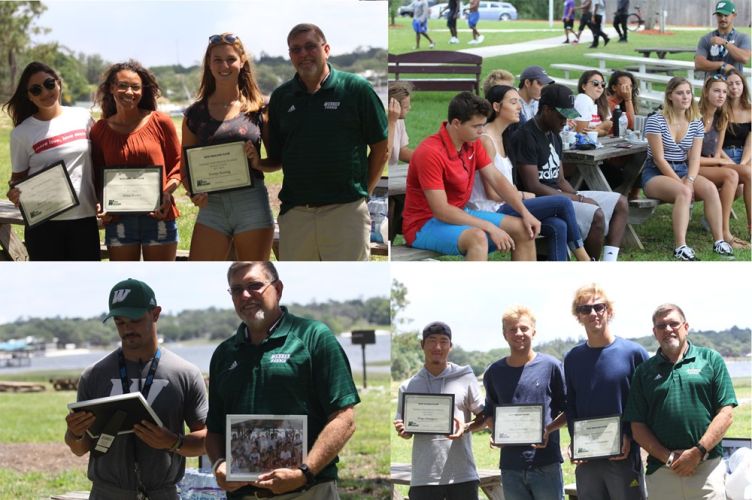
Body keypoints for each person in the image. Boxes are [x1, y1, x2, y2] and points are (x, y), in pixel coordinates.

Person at [206, 262, 360, 498]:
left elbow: (344, 418)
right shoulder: (224, 354)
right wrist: (218, 465)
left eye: (255, 285)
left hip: (308, 491)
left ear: (277, 289)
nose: (246, 295)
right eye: (236, 290)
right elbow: (215, 429)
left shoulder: (314, 337)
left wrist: (304, 472)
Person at [64, 278, 208, 499]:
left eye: (134, 319)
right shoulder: (94, 375)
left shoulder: (185, 373)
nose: (127, 329)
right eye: (120, 322)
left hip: (163, 493)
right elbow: (79, 448)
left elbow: (206, 440)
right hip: (107, 493)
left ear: (155, 314)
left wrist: (173, 442)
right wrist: (74, 432)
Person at [266, 23, 388, 261]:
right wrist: (255, 161)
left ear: (326, 49)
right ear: (290, 56)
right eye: (296, 50)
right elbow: (278, 156)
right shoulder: (281, 97)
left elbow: (380, 148)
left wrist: (363, 193)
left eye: (310, 46)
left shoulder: (356, 89)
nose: (303, 54)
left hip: (345, 211)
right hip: (296, 213)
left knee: (352, 290)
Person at [401, 91, 541, 261]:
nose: (482, 131)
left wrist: (525, 212)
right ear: (456, 123)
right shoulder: (430, 152)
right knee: (478, 237)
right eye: (476, 126)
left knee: (523, 228)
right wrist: (489, 226)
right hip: (423, 224)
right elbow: (441, 210)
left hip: (460, 213)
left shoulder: (472, 143)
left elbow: (497, 179)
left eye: (483, 125)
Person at [624, 304, 738, 500]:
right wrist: (669, 458)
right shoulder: (644, 372)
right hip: (662, 472)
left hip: (706, 468)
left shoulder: (710, 359)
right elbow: (637, 427)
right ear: (655, 332)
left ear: (686, 326)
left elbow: (726, 414)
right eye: (661, 326)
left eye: (673, 324)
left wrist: (697, 452)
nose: (668, 329)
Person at [467, 84, 590, 261]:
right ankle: (584, 259)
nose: (519, 106)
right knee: (562, 203)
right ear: (496, 107)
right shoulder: (486, 140)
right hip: (490, 209)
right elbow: (492, 194)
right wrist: (524, 195)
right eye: (513, 102)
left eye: (519, 102)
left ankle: (560, 276)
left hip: (506, 204)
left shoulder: (503, 136)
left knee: (558, 225)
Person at [182, 34, 275, 261]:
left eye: (231, 59)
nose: (224, 66)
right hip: (212, 206)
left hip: (251, 202)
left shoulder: (259, 108)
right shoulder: (194, 114)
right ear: (208, 64)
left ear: (242, 61)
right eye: (217, 60)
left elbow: (277, 160)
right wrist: (194, 192)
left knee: (250, 271)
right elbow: (185, 166)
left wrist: (257, 162)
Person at [514, 84, 628, 261]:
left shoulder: (554, 134)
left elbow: (559, 179)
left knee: (620, 202)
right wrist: (579, 199)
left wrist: (576, 195)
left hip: (561, 196)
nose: (565, 122)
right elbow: (533, 186)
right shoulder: (526, 136)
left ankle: (608, 263)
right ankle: (589, 268)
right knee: (595, 214)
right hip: (541, 202)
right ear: (546, 110)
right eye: (562, 116)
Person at [3, 61, 100, 261]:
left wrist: (103, 195)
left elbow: (99, 161)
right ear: (29, 95)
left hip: (84, 219)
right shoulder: (22, 133)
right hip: (44, 224)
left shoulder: (82, 117)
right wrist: (15, 191)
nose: (45, 92)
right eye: (36, 89)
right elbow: (17, 178)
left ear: (58, 84)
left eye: (49, 84)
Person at [564, 284, 649, 500]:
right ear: (578, 317)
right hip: (587, 458)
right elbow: (571, 405)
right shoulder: (572, 358)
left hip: (624, 455)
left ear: (609, 311)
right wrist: (575, 440)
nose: (592, 313)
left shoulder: (634, 353)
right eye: (585, 309)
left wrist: (630, 436)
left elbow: (646, 403)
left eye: (598, 307)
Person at [91, 61, 182, 261]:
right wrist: (101, 204)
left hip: (159, 217)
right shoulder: (100, 130)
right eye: (123, 85)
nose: (129, 92)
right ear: (112, 88)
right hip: (119, 220)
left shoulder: (161, 122)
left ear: (143, 90)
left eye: (135, 87)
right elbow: (97, 175)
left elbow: (178, 165)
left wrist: (167, 193)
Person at [641, 77, 734, 260]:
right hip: (656, 172)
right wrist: (683, 184)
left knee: (710, 188)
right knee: (683, 192)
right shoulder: (655, 120)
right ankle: (680, 247)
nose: (685, 97)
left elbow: (694, 158)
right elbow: (659, 159)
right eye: (679, 93)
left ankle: (719, 241)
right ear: (669, 96)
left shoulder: (695, 122)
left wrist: (689, 180)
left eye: (688, 93)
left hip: (683, 169)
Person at [482, 306, 567, 500]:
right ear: (505, 334)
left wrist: (549, 429)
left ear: (533, 332)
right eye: (512, 329)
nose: (519, 333)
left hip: (546, 463)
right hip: (511, 466)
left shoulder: (551, 366)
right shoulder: (494, 372)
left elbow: (569, 409)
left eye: (524, 328)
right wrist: (496, 431)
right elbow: (489, 412)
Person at [394, 321, 486, 500]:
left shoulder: (465, 377)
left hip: (462, 476)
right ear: (422, 345)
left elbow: (484, 418)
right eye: (432, 341)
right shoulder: (407, 387)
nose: (438, 347)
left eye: (444, 341)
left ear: (450, 346)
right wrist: (403, 431)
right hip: (424, 478)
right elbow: (407, 432)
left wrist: (465, 428)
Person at [698, 76, 748, 249]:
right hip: (691, 166)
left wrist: (719, 161)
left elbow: (718, 151)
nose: (721, 95)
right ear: (706, 92)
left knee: (747, 173)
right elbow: (692, 158)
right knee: (731, 174)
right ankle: (725, 233)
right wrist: (720, 162)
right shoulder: (695, 117)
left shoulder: (721, 117)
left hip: (710, 163)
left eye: (724, 92)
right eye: (716, 91)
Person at [723, 68, 751, 238]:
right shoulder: (720, 110)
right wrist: (734, 165)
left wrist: (743, 164)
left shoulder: (750, 110)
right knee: (740, 187)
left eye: (738, 83)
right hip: (723, 156)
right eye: (730, 84)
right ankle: (717, 216)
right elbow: (715, 146)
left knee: (747, 176)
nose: (734, 87)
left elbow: (750, 142)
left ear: (743, 85)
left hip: (744, 156)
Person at [694, 0, 751, 80]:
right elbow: (699, 64)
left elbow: (745, 58)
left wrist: (725, 43)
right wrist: (722, 65)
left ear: (734, 15)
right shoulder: (706, 39)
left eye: (726, 15)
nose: (723, 18)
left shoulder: (743, 37)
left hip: (733, 87)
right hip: (712, 88)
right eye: (719, 15)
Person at [573, 70, 613, 137]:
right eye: (595, 83)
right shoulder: (583, 99)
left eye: (603, 84)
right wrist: (601, 127)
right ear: (584, 86)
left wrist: (596, 130)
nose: (600, 87)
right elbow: (581, 134)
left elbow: (608, 130)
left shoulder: (602, 103)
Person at [388, 81, 414, 169]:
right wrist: (391, 122)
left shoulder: (399, 120)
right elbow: (384, 156)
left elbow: (401, 151)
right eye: (406, 107)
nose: (409, 108)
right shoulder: (385, 121)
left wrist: (427, 158)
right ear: (394, 106)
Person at [606, 70, 639, 135]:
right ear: (614, 87)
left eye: (631, 86)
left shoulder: (622, 103)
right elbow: (630, 125)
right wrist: (628, 100)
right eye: (625, 86)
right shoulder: (608, 103)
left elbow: (632, 127)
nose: (629, 89)